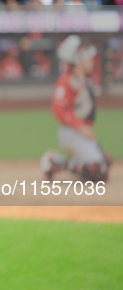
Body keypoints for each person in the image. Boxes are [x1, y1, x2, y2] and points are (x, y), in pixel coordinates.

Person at [40, 35, 111, 182]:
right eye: (88, 58)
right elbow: (58, 109)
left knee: (106, 162)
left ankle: (59, 162)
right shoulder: (67, 80)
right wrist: (80, 126)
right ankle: (52, 161)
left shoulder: (85, 80)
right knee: (97, 168)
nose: (91, 61)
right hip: (71, 132)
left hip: (81, 134)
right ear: (78, 61)